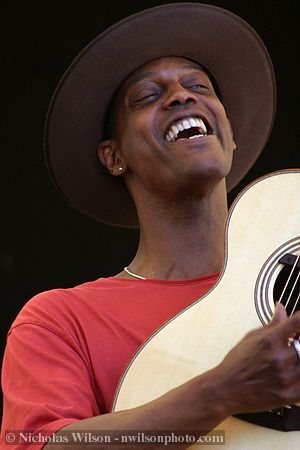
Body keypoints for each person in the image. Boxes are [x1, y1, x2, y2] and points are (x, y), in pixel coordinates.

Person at [1, 3, 300, 449]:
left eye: (198, 85)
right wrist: (220, 392)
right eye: (146, 96)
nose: (182, 96)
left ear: (230, 134)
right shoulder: (60, 320)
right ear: (114, 157)